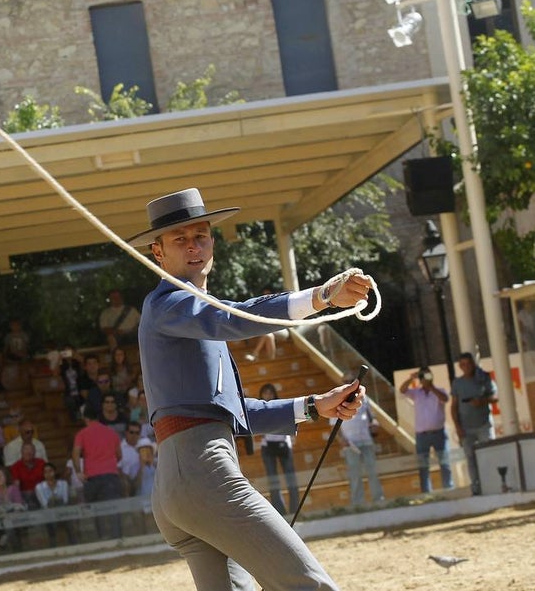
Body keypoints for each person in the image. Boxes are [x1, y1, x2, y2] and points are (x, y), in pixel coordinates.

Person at [131, 187, 373, 591]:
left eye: (201, 236)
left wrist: (315, 406)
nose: (193, 246)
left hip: (180, 484)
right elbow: (235, 317)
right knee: (310, 586)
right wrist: (320, 297)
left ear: (212, 244)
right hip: (201, 472)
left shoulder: (187, 311)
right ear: (158, 252)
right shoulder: (169, 304)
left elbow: (235, 411)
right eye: (180, 239)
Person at [71, 403, 123, 540]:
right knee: (114, 509)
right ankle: (117, 538)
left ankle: (102, 538)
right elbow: (119, 455)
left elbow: (75, 454)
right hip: (110, 476)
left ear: (85, 418)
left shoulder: (82, 434)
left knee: (97, 511)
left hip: (92, 478)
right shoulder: (111, 432)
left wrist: (78, 472)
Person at [450, 351, 498, 495]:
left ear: (473, 364)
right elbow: (454, 407)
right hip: (466, 428)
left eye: (468, 364)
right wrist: (458, 427)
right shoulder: (457, 383)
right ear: (460, 366)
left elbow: (495, 396)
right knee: (470, 458)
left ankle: (492, 484)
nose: (466, 367)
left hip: (484, 425)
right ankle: (476, 487)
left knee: (488, 455)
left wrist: (482, 401)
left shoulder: (484, 378)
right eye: (463, 364)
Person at [399, 367, 453, 492]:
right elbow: (402, 390)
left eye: (428, 376)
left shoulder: (439, 390)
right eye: (423, 376)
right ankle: (426, 492)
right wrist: (411, 378)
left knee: (444, 462)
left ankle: (448, 488)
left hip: (439, 433)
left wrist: (431, 387)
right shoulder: (416, 393)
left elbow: (445, 399)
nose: (426, 379)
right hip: (422, 435)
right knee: (423, 465)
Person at [257, 383, 299, 517]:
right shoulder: (258, 408)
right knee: (273, 481)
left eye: (270, 393)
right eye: (265, 393)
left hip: (283, 445)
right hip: (267, 446)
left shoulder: (281, 406)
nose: (268, 395)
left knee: (291, 479)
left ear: (274, 394)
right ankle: (280, 513)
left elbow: (293, 421)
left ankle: (295, 511)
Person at [336, 391, 384, 507]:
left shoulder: (364, 398)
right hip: (350, 444)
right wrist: (341, 439)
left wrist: (374, 423)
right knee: (355, 474)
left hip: (366, 440)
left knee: (372, 471)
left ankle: (378, 499)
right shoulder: (338, 399)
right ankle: (358, 503)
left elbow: (371, 417)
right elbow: (334, 425)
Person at [35, 462, 78, 547]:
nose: (48, 474)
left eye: (50, 471)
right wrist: (54, 501)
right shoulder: (39, 487)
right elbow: (44, 503)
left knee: (68, 519)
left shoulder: (63, 483)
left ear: (54, 471)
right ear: (43, 474)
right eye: (45, 472)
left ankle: (73, 545)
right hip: (49, 513)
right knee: (50, 519)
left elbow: (65, 500)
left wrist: (55, 501)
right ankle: (53, 546)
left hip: (62, 511)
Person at [0, 466, 27, 550]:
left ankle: (7, 538)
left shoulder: (14, 488)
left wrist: (12, 515)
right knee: (8, 523)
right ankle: (16, 548)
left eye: (1, 475)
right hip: (0, 518)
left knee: (9, 523)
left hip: (16, 516)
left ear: (6, 477)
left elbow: (19, 504)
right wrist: (5, 516)